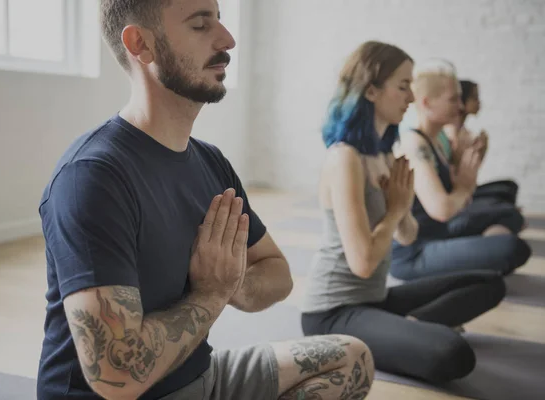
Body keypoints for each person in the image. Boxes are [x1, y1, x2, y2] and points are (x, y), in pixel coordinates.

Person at [36, 1, 374, 399]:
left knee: (351, 358)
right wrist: (210, 294)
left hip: (199, 378)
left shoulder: (209, 161)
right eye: (201, 25)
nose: (227, 39)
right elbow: (117, 375)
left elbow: (277, 272)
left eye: (220, 20)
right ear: (140, 44)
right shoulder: (93, 178)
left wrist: (230, 283)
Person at [300, 41, 505, 385]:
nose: (411, 96)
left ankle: (410, 326)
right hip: (333, 313)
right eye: (403, 85)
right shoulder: (344, 157)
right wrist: (395, 209)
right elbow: (363, 262)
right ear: (370, 90)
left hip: (376, 300)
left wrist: (404, 204)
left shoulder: (384, 155)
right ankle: (415, 331)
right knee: (453, 354)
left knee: (488, 282)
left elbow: (407, 235)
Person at [391, 63, 531, 281]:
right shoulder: (413, 144)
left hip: (442, 233)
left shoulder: (435, 140)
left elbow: (457, 197)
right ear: (427, 103)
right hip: (414, 254)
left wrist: (465, 163)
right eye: (453, 99)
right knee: (512, 247)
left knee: (509, 216)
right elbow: (443, 209)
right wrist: (464, 185)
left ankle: (479, 253)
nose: (460, 106)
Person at [439, 80, 519, 206]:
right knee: (504, 197)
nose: (479, 102)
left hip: (468, 189)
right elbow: (453, 175)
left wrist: (481, 152)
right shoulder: (450, 131)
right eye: (475, 97)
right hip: (455, 194)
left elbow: (471, 173)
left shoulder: (465, 132)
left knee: (509, 187)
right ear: (463, 100)